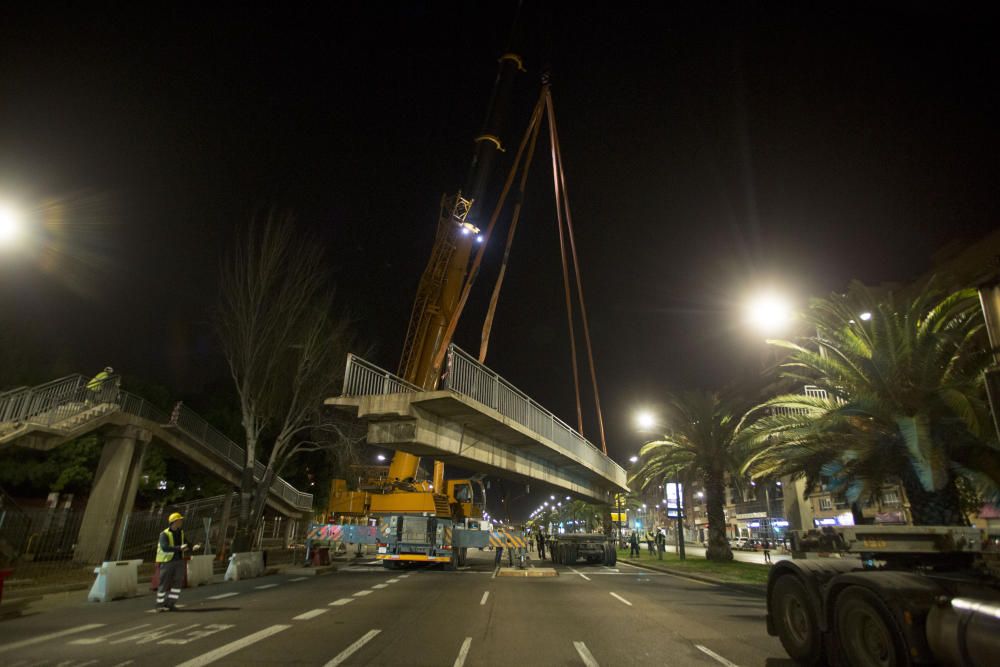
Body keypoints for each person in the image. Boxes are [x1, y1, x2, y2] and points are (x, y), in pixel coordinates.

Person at [156, 512, 199, 611]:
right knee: (164, 584)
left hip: (179, 561)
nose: (181, 521)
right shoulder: (164, 534)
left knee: (178, 583)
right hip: (167, 562)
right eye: (180, 520)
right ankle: (160, 605)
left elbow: (186, 542)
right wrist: (179, 548)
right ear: (174, 522)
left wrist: (192, 547)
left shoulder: (180, 532)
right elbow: (164, 548)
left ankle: (170, 604)